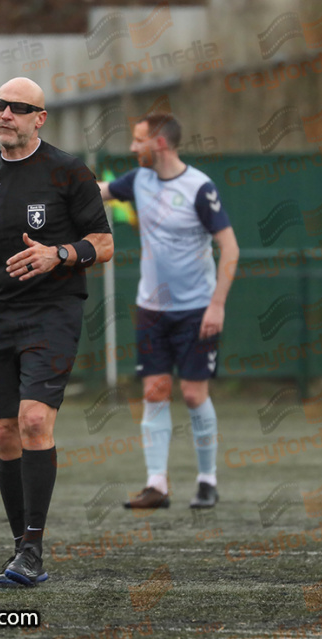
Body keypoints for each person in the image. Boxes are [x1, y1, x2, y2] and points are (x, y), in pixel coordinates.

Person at [0, 77, 113, 586]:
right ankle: (21, 549)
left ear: (40, 118)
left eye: (17, 107)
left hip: (53, 313)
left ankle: (32, 550)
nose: (5, 114)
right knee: (3, 431)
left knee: (34, 421)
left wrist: (58, 253)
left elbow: (104, 242)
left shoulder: (68, 172)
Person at [98, 113, 239, 510]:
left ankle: (207, 480)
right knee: (154, 391)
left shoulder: (199, 188)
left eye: (137, 139)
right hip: (151, 310)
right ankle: (156, 485)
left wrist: (217, 305)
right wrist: (49, 184)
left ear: (159, 143)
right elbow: (99, 191)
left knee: (194, 395)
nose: (131, 147)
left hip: (197, 310)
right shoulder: (137, 181)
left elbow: (230, 248)